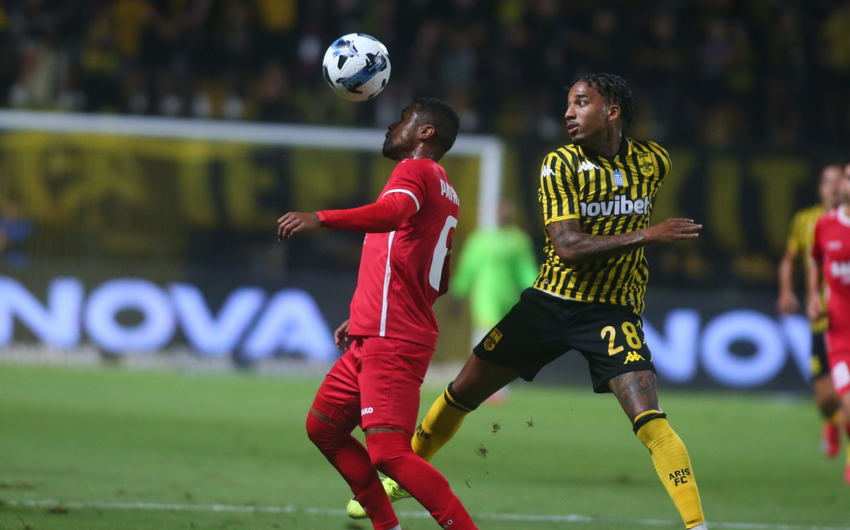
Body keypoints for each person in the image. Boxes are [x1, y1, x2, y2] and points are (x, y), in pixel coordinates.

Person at [348, 73, 708, 530]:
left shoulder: (655, 161)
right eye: (568, 104)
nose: (568, 113)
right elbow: (569, 248)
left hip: (612, 311)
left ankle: (697, 525)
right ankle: (398, 479)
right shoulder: (559, 164)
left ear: (612, 112)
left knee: (650, 419)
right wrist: (649, 234)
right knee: (462, 391)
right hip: (548, 305)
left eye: (581, 103)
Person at [277, 97, 478, 530]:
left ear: (425, 132)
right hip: (378, 330)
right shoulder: (445, 188)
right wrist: (367, 312)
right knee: (324, 428)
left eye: (403, 119)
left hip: (392, 338)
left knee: (389, 453)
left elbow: (391, 215)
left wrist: (321, 218)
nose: (391, 126)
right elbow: (430, 276)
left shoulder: (414, 171)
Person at [777, 164, 844, 457]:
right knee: (826, 400)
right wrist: (788, 291)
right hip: (821, 321)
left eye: (838, 181)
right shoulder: (807, 220)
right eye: (827, 182)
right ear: (819, 188)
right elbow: (791, 259)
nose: (833, 188)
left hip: (846, 318)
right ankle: (833, 420)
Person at [808, 160, 850, 485]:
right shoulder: (823, 224)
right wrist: (813, 296)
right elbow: (813, 259)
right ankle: (835, 425)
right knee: (832, 400)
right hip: (838, 333)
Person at [452, 198, 539, 347]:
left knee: (505, 336)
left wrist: (538, 292)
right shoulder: (480, 239)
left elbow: (526, 271)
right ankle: (482, 359)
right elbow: (466, 269)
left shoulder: (518, 239)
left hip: (509, 297)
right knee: (487, 334)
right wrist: (458, 293)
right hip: (485, 296)